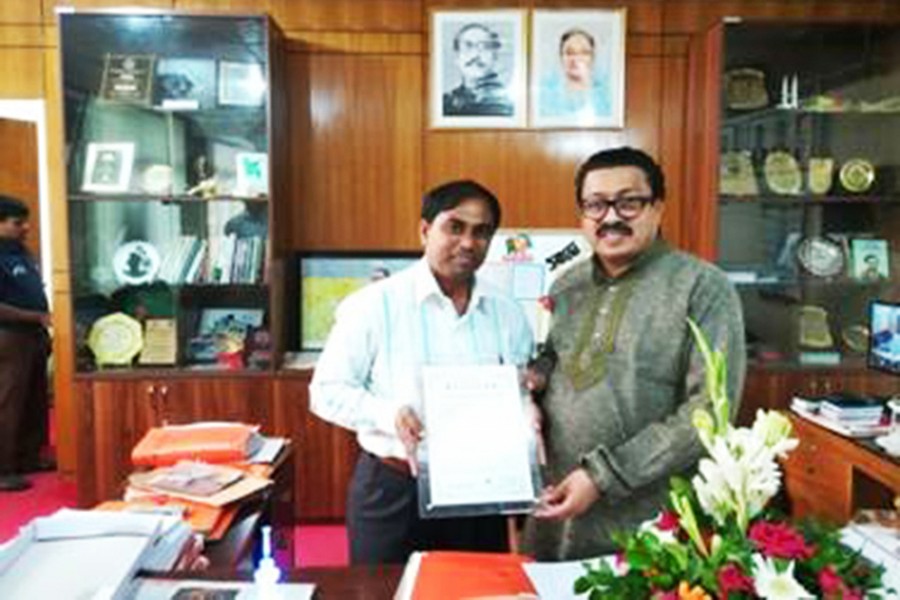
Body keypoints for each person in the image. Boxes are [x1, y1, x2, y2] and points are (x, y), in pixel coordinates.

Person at [521, 147, 746, 560]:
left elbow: (711, 411)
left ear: (658, 207)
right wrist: (533, 377)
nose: (610, 217)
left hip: (651, 522)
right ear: (582, 215)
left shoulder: (702, 287)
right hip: (557, 509)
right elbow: (558, 357)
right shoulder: (566, 286)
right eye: (595, 205)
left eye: (628, 202)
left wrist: (604, 475)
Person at [310, 180, 533, 564]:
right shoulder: (373, 305)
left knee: (476, 592)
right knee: (387, 592)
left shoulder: (507, 311)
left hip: (479, 490)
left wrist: (527, 410)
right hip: (395, 488)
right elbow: (326, 391)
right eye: (455, 227)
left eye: (481, 232)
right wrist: (389, 414)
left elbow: (519, 389)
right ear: (425, 230)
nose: (468, 242)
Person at [0, 195, 52, 492]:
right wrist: (36, 316)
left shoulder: (19, 252)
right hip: (8, 337)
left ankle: (27, 457)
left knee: (34, 400)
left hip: (32, 335)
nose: (26, 228)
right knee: (8, 403)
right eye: (17, 223)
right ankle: (3, 469)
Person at [537, 28, 611, 121]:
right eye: (570, 53)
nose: (576, 58)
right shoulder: (545, 94)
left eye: (584, 53)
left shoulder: (605, 94)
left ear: (592, 58)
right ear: (561, 57)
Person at [443, 23, 514, 117]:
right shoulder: (446, 103)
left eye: (485, 47)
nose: (475, 54)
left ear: (495, 57)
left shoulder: (506, 104)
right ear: (457, 57)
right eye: (468, 46)